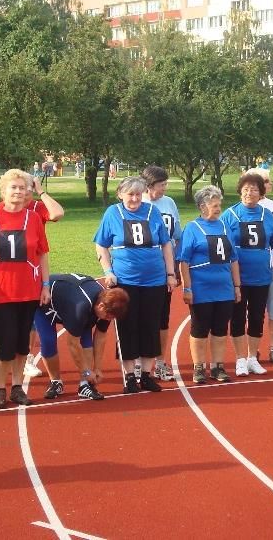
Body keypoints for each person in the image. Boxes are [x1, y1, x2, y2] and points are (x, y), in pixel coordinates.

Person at [0, 169, 51, 408]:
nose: (18, 192)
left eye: (22, 188)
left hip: (29, 290)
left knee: (21, 344)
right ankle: (0, 388)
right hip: (2, 292)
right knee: (4, 343)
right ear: (3, 190)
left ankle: (17, 387)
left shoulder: (34, 218)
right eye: (13, 187)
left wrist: (45, 285)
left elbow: (42, 254)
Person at [94, 176, 176, 393]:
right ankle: (130, 376)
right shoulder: (113, 213)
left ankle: (147, 375)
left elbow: (166, 244)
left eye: (138, 194)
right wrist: (108, 271)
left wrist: (170, 273)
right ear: (120, 194)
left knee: (150, 325)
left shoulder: (152, 212)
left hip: (154, 280)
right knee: (127, 327)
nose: (135, 198)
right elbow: (101, 245)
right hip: (126, 280)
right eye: (130, 194)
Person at [178, 186, 240, 384]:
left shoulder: (224, 226)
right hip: (201, 289)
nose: (218, 208)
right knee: (200, 328)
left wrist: (237, 286)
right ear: (202, 206)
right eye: (214, 205)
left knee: (221, 328)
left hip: (224, 288)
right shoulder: (192, 228)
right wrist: (187, 288)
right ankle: (199, 367)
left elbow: (233, 259)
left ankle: (217, 366)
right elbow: (184, 261)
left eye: (219, 205)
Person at [34, 274, 129, 400]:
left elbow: (100, 336)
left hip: (72, 303)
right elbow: (73, 343)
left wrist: (98, 368)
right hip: (46, 304)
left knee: (86, 340)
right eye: (108, 317)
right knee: (48, 341)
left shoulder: (107, 306)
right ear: (100, 306)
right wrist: (86, 371)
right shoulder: (81, 307)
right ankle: (55, 382)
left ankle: (84, 385)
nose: (109, 320)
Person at [222, 172, 273, 376]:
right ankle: (239, 359)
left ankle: (252, 357)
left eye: (254, 189)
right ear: (239, 192)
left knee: (257, 317)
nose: (249, 193)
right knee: (237, 318)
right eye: (245, 189)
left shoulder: (268, 216)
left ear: (261, 193)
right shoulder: (230, 215)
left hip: (261, 276)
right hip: (237, 278)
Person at [141, 165, 182, 382]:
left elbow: (177, 235)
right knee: (141, 317)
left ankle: (160, 362)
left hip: (164, 269)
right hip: (142, 270)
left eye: (166, 184)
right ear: (148, 186)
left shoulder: (169, 203)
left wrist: (175, 268)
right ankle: (139, 362)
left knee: (162, 319)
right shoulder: (138, 204)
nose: (164, 188)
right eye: (161, 185)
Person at [247, 167, 273, 365]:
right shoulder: (240, 209)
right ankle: (251, 351)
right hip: (250, 269)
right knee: (252, 311)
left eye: (268, 181)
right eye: (265, 181)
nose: (269, 184)